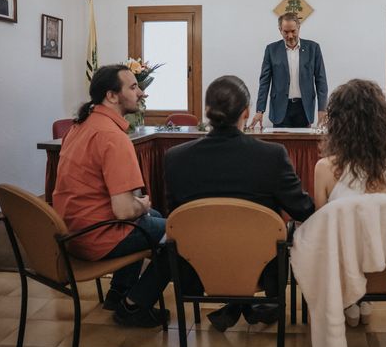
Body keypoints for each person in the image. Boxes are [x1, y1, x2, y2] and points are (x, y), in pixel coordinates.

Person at [165, 75, 315, 331]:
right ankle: (252, 305)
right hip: (260, 266)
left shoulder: (174, 158)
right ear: (246, 111)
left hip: (200, 263)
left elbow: (175, 214)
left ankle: (237, 306)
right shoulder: (271, 156)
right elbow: (303, 210)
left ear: (207, 112)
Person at [53, 64, 170, 328]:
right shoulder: (112, 137)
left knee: (155, 218)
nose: (142, 93)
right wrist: (141, 204)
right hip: (96, 235)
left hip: (72, 231)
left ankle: (119, 293)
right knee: (181, 233)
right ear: (112, 96)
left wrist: (142, 209)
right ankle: (133, 306)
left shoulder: (81, 125)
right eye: (133, 87)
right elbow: (124, 211)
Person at [313, 79, 386, 326]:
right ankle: (361, 300)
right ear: (383, 119)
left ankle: (352, 300)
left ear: (337, 124)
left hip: (344, 273)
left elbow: (324, 230)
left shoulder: (325, 168)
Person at [250, 12, 328, 128]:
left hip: (304, 108)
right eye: (286, 32)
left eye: (293, 31)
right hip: (280, 108)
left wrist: (322, 110)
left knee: (303, 145)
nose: (290, 36)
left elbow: (321, 81)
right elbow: (264, 82)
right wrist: (259, 110)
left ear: (299, 28)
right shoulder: (271, 50)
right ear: (280, 30)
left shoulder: (313, 48)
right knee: (280, 145)